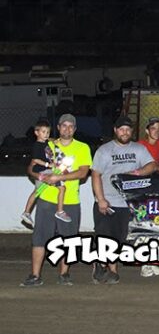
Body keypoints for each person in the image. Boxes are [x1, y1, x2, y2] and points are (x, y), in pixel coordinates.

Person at [20, 114, 92, 287]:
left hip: (70, 201)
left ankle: (64, 274)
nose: (67, 129)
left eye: (71, 126)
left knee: (69, 239)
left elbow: (83, 172)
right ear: (58, 127)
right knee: (40, 238)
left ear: (74, 129)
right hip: (46, 199)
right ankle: (35, 275)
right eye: (64, 125)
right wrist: (38, 174)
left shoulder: (82, 148)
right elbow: (31, 166)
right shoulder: (48, 144)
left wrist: (60, 178)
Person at [91, 116, 157, 285]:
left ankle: (103, 263)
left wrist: (139, 172)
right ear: (115, 130)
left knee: (121, 238)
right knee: (107, 237)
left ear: (132, 131)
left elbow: (151, 165)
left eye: (128, 129)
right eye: (121, 129)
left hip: (129, 203)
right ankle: (111, 270)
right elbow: (96, 175)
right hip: (108, 201)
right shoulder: (105, 150)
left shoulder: (138, 149)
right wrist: (101, 199)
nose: (125, 132)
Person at [137, 116, 159, 278]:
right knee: (145, 225)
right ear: (147, 130)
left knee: (157, 225)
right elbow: (145, 168)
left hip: (157, 186)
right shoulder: (140, 146)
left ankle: (153, 261)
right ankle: (146, 263)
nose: (156, 132)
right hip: (142, 188)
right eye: (153, 128)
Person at [21, 119, 71, 227]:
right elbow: (35, 160)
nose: (46, 134)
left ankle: (27, 212)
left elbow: (52, 141)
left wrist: (54, 140)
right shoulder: (37, 146)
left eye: (48, 132)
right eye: (43, 132)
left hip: (47, 171)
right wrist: (48, 165)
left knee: (38, 191)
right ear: (36, 132)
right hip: (43, 171)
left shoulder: (46, 143)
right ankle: (59, 211)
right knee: (60, 188)